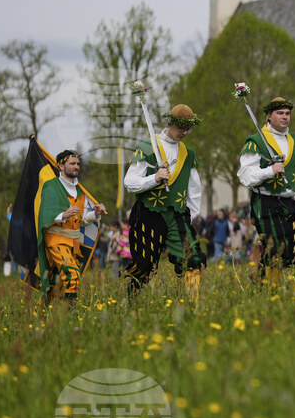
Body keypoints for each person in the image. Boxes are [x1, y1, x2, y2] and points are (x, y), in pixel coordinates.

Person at [123, 104, 206, 298]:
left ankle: (193, 304)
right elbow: (130, 183)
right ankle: (131, 302)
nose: (184, 133)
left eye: (188, 129)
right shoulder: (147, 148)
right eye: (181, 128)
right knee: (144, 265)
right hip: (149, 213)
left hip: (178, 215)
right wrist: (154, 178)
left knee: (192, 258)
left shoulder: (189, 154)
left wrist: (189, 217)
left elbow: (194, 190)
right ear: (169, 123)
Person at [237, 97, 295, 282]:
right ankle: (274, 288)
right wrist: (269, 171)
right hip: (265, 200)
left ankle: (258, 276)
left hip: (289, 201)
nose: (285, 117)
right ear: (269, 116)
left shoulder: (294, 140)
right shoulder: (256, 141)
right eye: (280, 113)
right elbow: (245, 176)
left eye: (287, 113)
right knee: (276, 248)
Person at [35, 150, 107, 302]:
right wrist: (63, 215)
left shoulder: (81, 191)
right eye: (72, 163)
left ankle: (46, 312)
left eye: (78, 164)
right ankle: (68, 312)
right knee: (72, 275)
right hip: (55, 239)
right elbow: (44, 217)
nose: (76, 167)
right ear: (61, 166)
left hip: (74, 244)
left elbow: (83, 220)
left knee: (55, 283)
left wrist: (95, 214)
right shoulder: (52, 186)